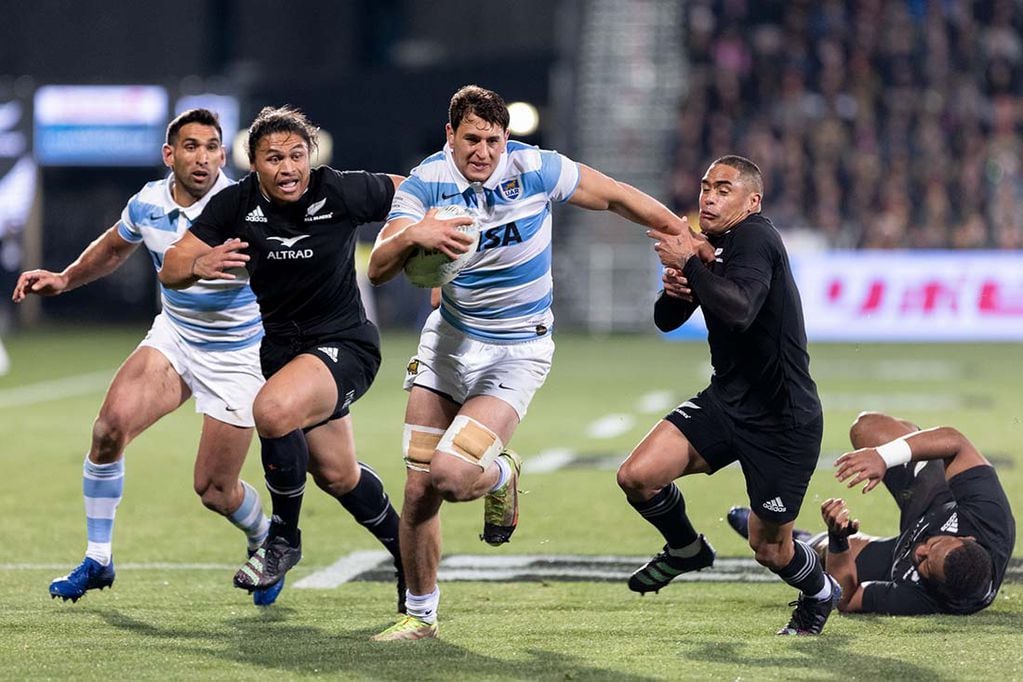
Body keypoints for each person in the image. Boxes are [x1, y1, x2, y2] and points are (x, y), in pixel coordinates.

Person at [366, 84, 689, 641]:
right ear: (450, 136)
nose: (483, 152)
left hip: (517, 351)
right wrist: (414, 234)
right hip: (447, 344)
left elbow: (611, 195)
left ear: (506, 139)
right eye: (471, 139)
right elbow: (377, 267)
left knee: (450, 476)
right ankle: (420, 617)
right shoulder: (425, 184)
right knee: (418, 489)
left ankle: (499, 476)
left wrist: (679, 231)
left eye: (493, 140)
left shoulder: (535, 169)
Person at [12, 109, 279, 605]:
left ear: (225, 154)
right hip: (176, 338)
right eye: (191, 147)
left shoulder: (248, 204)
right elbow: (115, 247)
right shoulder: (149, 202)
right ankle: (98, 559)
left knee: (215, 490)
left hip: (239, 354)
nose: (203, 158)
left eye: (212, 147)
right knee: (108, 430)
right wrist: (66, 279)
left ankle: (265, 538)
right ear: (169, 155)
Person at [159, 106, 407, 613]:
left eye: (298, 155)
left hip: (346, 344)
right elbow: (171, 267)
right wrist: (198, 265)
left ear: (311, 158)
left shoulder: (339, 189)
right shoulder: (235, 204)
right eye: (274, 158)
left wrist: (427, 240)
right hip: (284, 352)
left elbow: (418, 192)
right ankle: (412, 556)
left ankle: (283, 539)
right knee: (338, 475)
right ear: (253, 164)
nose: (288, 167)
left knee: (271, 411)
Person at [618, 155, 839, 635]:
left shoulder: (756, 238)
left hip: (783, 420)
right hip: (727, 401)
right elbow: (666, 320)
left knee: (770, 549)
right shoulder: (713, 245)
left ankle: (820, 593)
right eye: (705, 187)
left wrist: (692, 270)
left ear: (752, 201)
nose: (709, 197)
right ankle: (686, 548)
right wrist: (679, 288)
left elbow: (738, 312)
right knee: (638, 476)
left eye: (723, 189)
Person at [821, 411, 1012, 614]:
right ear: (967, 538)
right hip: (936, 500)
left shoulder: (921, 597)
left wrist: (838, 539)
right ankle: (916, 438)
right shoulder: (990, 518)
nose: (920, 550)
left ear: (937, 588)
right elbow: (956, 442)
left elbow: (846, 599)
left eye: (925, 564)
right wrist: (882, 457)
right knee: (866, 428)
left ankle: (810, 537)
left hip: (900, 554)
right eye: (935, 544)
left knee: (822, 555)